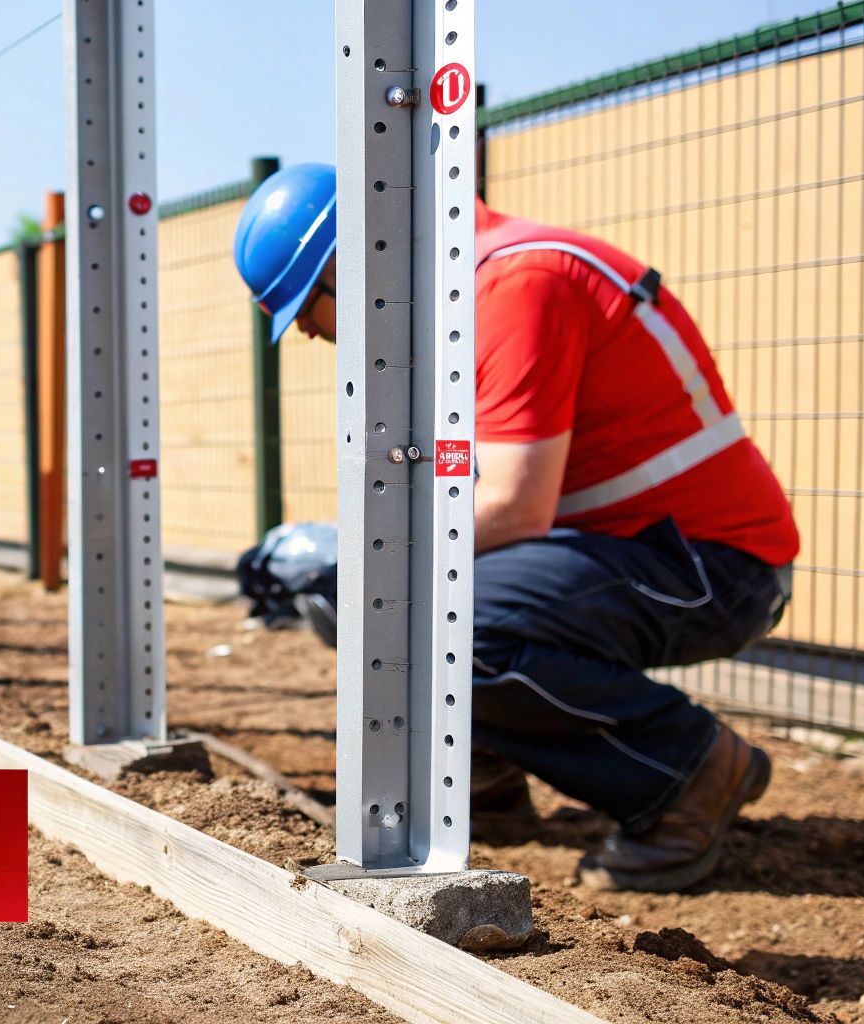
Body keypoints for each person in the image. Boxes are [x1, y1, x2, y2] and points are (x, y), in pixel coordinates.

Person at [233, 164, 799, 892]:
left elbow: (510, 508)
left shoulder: (515, 286)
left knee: (425, 616)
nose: (314, 335)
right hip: (643, 550)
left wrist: (357, 560)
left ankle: (689, 772)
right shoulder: (462, 301)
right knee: (376, 595)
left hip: (713, 568)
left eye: (310, 311)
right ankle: (476, 776)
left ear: (353, 263)